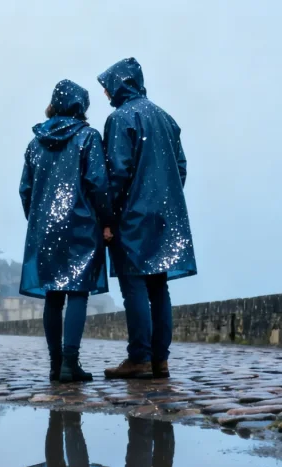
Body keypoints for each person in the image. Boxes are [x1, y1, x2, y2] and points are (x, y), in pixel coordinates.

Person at [97, 58, 197, 380]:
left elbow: (116, 172)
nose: (105, 94)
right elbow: (180, 167)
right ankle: (160, 360)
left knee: (134, 286)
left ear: (117, 84)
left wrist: (109, 217)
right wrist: (163, 198)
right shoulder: (166, 118)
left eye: (106, 87)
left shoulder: (120, 119)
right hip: (166, 215)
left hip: (133, 216)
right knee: (159, 286)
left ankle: (139, 357)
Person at [19, 79, 113, 383]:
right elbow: (98, 184)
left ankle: (55, 365)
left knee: (53, 297)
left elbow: (25, 189)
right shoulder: (87, 138)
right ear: (80, 106)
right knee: (77, 292)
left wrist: (36, 221)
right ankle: (70, 364)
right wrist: (106, 220)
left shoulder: (35, 143)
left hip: (45, 228)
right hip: (81, 225)